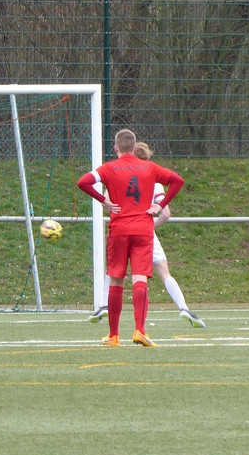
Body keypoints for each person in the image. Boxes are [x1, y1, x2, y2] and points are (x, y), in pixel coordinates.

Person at [77, 128, 184, 347]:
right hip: (143, 230)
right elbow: (177, 181)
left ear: (116, 148)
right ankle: (140, 331)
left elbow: (83, 182)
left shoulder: (109, 168)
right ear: (135, 148)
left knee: (116, 279)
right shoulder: (150, 167)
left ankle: (113, 336)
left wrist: (104, 201)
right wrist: (160, 205)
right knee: (140, 278)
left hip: (119, 230)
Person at [89, 142, 205, 329]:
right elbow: (166, 213)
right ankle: (183, 307)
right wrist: (151, 224)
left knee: (114, 271)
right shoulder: (153, 178)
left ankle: (104, 305)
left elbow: (106, 200)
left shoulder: (116, 174)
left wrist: (112, 205)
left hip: (121, 229)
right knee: (162, 273)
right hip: (145, 232)